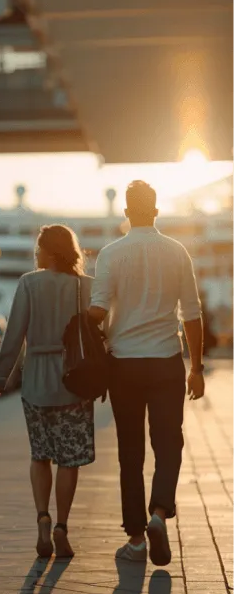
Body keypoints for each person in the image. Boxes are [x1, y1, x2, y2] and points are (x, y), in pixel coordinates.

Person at [89, 180, 204, 567]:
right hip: (166, 361)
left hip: (124, 365)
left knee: (130, 452)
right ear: (156, 211)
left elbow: (99, 309)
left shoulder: (110, 254)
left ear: (126, 213)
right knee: (169, 443)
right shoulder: (176, 252)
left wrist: (75, 333)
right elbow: (191, 313)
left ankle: (136, 539)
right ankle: (159, 513)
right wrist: (197, 368)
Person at [0, 225, 95, 560]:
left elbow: (14, 334)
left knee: (40, 455)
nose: (36, 252)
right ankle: (62, 524)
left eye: (39, 247)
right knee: (69, 459)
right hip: (74, 383)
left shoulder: (29, 283)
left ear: (48, 250)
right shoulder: (86, 287)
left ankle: (42, 518)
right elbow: (99, 335)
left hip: (35, 381)